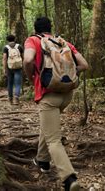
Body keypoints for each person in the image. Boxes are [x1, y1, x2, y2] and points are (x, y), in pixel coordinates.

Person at [23, 17, 88, 191]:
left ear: (35, 29)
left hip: (48, 95)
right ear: (50, 28)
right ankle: (42, 161)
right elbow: (84, 64)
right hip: (66, 95)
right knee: (48, 126)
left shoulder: (33, 40)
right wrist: (69, 74)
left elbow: (28, 60)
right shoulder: (62, 42)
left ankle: (69, 179)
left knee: (53, 140)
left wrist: (32, 77)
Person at [2, 34, 23, 105]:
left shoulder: (6, 47)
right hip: (18, 67)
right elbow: (23, 56)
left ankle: (10, 99)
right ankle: (16, 97)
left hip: (9, 67)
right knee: (18, 84)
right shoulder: (19, 46)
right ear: (15, 39)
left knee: (10, 83)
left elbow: (4, 58)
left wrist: (4, 68)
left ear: (7, 40)